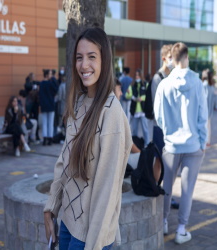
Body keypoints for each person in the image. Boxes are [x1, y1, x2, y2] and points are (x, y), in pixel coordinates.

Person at [43, 27, 132, 250]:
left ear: (105, 60)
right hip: (67, 223)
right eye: (79, 58)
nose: (84, 65)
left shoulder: (111, 113)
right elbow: (64, 162)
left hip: (90, 237)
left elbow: (107, 192)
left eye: (92, 57)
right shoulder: (79, 103)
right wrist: (51, 207)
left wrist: (93, 245)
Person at [154, 42, 207, 244]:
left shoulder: (164, 84)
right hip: (193, 145)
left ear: (172, 59)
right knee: (187, 189)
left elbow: (158, 117)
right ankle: (182, 229)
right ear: (186, 57)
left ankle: (164, 221)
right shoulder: (197, 82)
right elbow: (202, 117)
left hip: (171, 145)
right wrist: (203, 142)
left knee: (167, 186)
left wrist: (169, 132)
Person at [151, 44, 179, 209]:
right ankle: (156, 189)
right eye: (170, 58)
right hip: (160, 127)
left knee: (171, 165)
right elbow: (157, 107)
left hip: (172, 128)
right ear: (164, 58)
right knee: (160, 162)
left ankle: (168, 195)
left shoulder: (173, 76)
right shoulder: (158, 78)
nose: (173, 61)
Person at [126, 69, 149, 147]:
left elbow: (149, 95)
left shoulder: (145, 84)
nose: (137, 76)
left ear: (141, 76)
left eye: (138, 75)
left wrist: (142, 98)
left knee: (145, 129)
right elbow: (127, 95)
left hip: (143, 111)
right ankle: (135, 145)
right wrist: (129, 94)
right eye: (135, 75)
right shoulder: (132, 85)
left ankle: (147, 144)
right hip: (135, 111)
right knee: (134, 130)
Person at [39, 69, 58, 145]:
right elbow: (56, 89)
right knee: (50, 122)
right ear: (47, 75)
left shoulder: (41, 83)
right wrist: (53, 79)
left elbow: (40, 95)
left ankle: (45, 139)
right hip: (51, 105)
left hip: (44, 105)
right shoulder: (51, 83)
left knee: (45, 122)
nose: (51, 75)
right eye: (50, 74)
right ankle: (50, 138)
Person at [202, 70, 215, 146]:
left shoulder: (204, 85)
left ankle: (206, 141)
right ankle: (208, 141)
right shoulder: (211, 85)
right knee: (208, 125)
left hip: (205, 109)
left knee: (204, 126)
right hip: (210, 109)